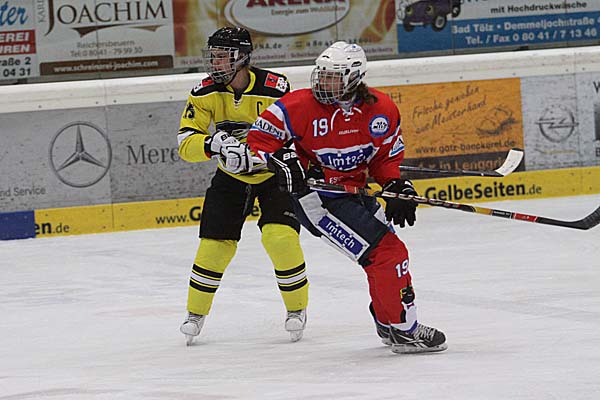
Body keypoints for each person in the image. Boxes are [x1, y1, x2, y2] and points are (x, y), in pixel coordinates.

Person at [246, 41, 447, 354]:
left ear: (354, 78)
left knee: (383, 257)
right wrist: (284, 161)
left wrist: (397, 186)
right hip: (317, 200)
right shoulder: (296, 105)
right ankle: (405, 330)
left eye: (332, 77)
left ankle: (389, 323)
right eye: (321, 75)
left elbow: (384, 159)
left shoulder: (381, 109)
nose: (322, 83)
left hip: (355, 193)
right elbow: (257, 140)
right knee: (388, 254)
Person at [177, 26, 308, 345]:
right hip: (231, 177)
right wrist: (213, 144)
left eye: (222, 56)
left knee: (280, 238)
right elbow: (185, 143)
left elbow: (294, 136)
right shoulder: (203, 92)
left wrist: (267, 154)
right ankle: (195, 313)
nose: (215, 62)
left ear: (242, 57)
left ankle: (297, 308)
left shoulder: (276, 87)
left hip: (273, 175)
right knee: (213, 246)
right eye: (213, 56)